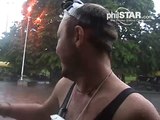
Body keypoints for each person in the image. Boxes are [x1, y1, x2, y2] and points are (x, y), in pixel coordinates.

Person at [0, 0, 160, 120]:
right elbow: (43, 112)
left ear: (78, 36)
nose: (56, 49)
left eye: (59, 38)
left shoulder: (135, 111)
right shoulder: (66, 85)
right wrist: (3, 108)